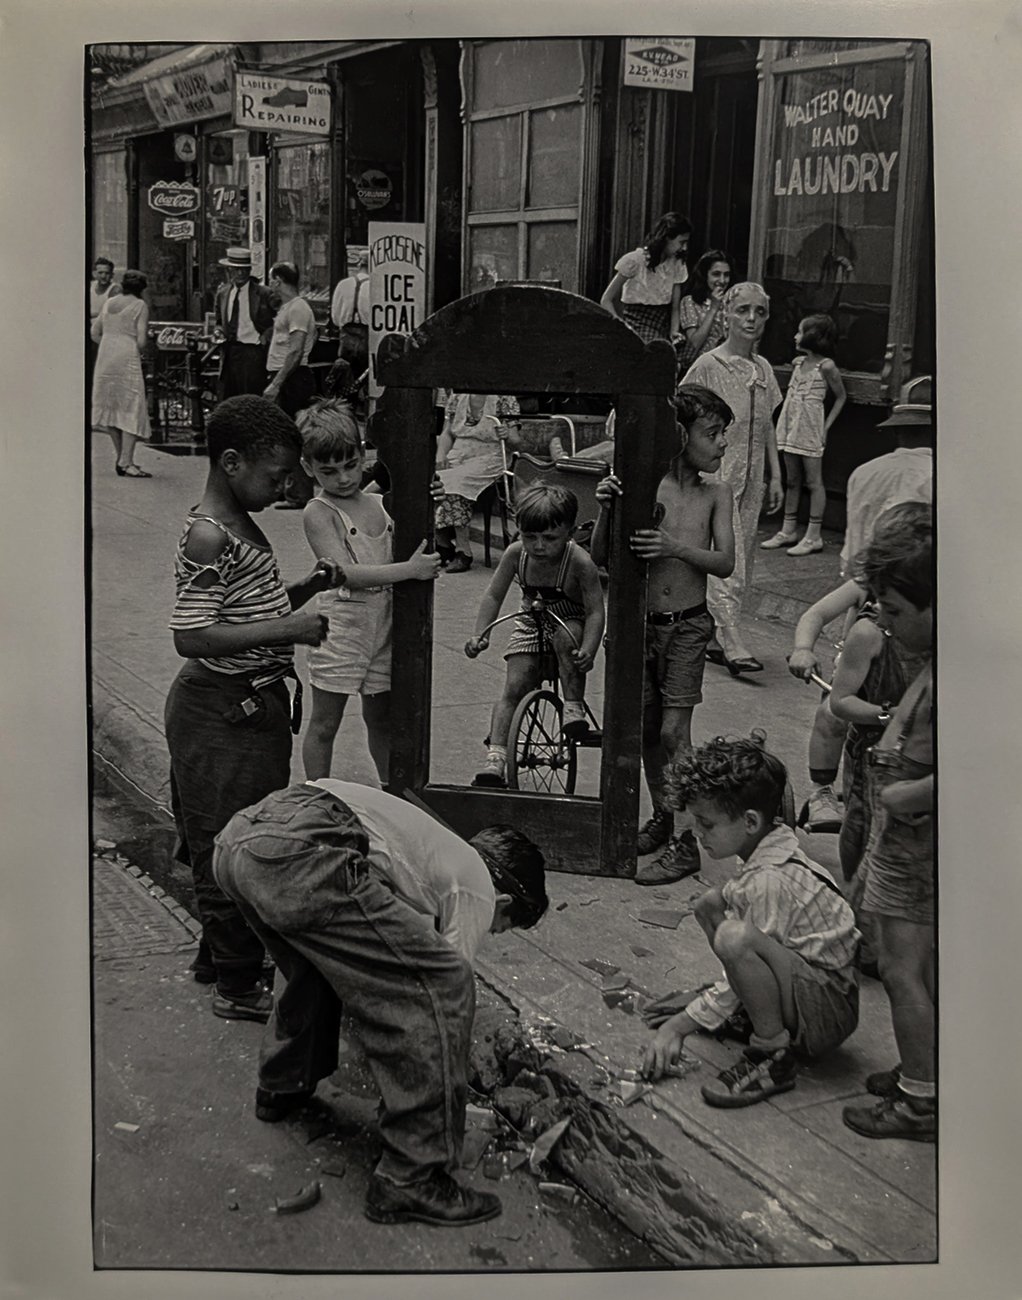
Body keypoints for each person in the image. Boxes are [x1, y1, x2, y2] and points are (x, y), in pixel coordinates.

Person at [212, 779, 549, 1225]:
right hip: (304, 849)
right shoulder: (478, 889)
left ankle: (283, 1085)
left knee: (316, 963)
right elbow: (444, 985)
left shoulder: (429, 848)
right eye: (503, 926)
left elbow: (383, 951)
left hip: (245, 837)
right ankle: (412, 1178)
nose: (495, 931)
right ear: (504, 901)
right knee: (445, 984)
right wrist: (452, 1081)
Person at [164, 395, 343, 1023]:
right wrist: (290, 630)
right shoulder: (211, 533)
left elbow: (244, 611)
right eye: (276, 476)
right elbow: (191, 635)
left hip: (246, 708)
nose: (285, 487)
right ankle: (238, 985)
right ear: (232, 461)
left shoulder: (237, 525)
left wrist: (307, 589)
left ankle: (221, 958)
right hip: (220, 712)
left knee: (233, 835)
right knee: (227, 846)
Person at [640, 735, 860, 1106]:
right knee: (709, 904)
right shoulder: (764, 847)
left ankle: (771, 1053)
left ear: (750, 822)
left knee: (733, 938)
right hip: (806, 985)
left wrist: (681, 1025)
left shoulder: (768, 881)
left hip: (827, 1011)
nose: (697, 833)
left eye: (707, 825)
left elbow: (747, 946)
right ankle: (751, 1009)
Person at [591, 386, 736, 884]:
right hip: (640, 627)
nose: (720, 445)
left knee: (676, 732)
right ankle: (663, 816)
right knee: (649, 731)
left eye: (723, 435)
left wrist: (675, 548)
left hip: (689, 626)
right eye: (711, 433)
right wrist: (608, 506)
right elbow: (601, 556)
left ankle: (691, 840)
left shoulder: (716, 493)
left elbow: (725, 561)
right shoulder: (643, 486)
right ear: (679, 437)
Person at [787, 377, 934, 834]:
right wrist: (803, 646)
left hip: (880, 599)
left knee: (839, 714)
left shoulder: (864, 473)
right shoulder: (947, 472)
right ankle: (825, 793)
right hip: (888, 605)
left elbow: (852, 557)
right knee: (839, 706)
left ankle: (833, 794)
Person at [840, 510, 935, 1143]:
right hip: (901, 838)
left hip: (916, 839)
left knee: (902, 972)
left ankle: (921, 1102)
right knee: (919, 970)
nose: (888, 624)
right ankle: (922, 1071)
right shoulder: (928, 657)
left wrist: (904, 793)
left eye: (896, 611)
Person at [298, 399, 442, 782]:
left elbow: (416, 525)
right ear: (308, 467)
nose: (343, 478)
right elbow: (342, 572)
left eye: (350, 465)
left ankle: (390, 790)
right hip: (342, 627)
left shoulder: (380, 503)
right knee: (326, 722)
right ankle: (316, 792)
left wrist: (431, 499)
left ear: (363, 455)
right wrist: (409, 571)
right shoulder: (319, 511)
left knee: (381, 718)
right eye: (328, 471)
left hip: (384, 626)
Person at [466, 483, 606, 788]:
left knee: (565, 640)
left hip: (570, 621)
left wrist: (590, 650)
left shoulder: (580, 562)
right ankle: (496, 758)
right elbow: (493, 595)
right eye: (530, 537)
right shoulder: (517, 555)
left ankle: (573, 707)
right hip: (531, 622)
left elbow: (595, 610)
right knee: (515, 685)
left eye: (549, 538)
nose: (539, 546)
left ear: (568, 532)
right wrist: (481, 634)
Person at [680, 283, 784, 673]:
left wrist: (776, 475)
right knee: (729, 551)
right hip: (719, 473)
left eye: (759, 312)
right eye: (742, 310)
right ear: (726, 314)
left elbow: (767, 425)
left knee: (745, 550)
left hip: (752, 476)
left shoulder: (764, 369)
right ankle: (731, 636)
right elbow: (686, 415)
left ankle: (711, 632)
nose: (751, 319)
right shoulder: (709, 366)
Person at [763, 313, 847, 556]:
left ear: (813, 336)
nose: (795, 336)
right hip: (792, 426)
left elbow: (841, 397)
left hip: (810, 427)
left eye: (800, 331)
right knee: (792, 480)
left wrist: (826, 427)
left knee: (813, 481)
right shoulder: (798, 363)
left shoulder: (827, 367)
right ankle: (788, 529)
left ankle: (813, 536)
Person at [434, 392, 519, 572]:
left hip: (491, 456)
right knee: (431, 478)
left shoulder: (504, 398)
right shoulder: (457, 396)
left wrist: (507, 435)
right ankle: (442, 544)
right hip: (459, 453)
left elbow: (516, 441)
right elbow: (447, 432)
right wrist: (440, 455)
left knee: (456, 483)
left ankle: (463, 551)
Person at [91, 268, 152, 478]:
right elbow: (142, 340)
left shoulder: (109, 302)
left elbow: (94, 332)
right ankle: (126, 461)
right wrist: (132, 345)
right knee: (131, 406)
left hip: (106, 356)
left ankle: (121, 460)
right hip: (127, 357)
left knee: (111, 408)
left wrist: (110, 342)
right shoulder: (140, 305)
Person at [600, 212, 692, 343]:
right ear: (666, 238)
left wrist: (674, 331)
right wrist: (620, 328)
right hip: (637, 321)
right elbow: (606, 299)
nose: (684, 248)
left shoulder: (677, 263)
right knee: (656, 351)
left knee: (689, 352)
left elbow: (675, 306)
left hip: (663, 322)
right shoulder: (635, 260)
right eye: (681, 242)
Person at [213, 247, 275, 400]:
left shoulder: (263, 293)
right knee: (229, 397)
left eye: (244, 270)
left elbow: (280, 319)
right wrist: (218, 332)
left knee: (251, 397)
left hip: (253, 353)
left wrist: (267, 334)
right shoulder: (223, 293)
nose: (240, 274)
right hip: (229, 353)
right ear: (229, 271)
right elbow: (219, 322)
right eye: (236, 270)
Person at [675, 249, 732, 370]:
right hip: (700, 367)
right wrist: (713, 309)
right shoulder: (690, 302)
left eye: (726, 275)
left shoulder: (732, 303)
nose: (722, 281)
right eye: (716, 274)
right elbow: (694, 344)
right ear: (705, 274)